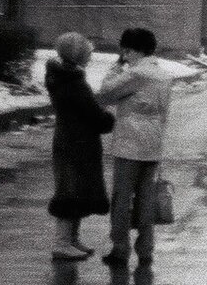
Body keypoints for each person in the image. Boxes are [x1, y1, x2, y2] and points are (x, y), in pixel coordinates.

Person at [98, 28, 172, 268]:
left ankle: (120, 248)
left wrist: (116, 68)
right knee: (146, 198)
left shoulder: (136, 73)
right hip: (154, 143)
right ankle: (146, 248)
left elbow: (106, 94)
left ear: (129, 49)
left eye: (125, 50)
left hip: (130, 144)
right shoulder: (163, 74)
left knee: (121, 198)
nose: (123, 54)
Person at [44, 32, 115, 261]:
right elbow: (91, 113)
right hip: (77, 143)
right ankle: (62, 242)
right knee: (71, 191)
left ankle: (71, 239)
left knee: (77, 190)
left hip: (70, 140)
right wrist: (107, 119)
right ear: (78, 54)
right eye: (87, 52)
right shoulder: (72, 81)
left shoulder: (63, 76)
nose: (90, 56)